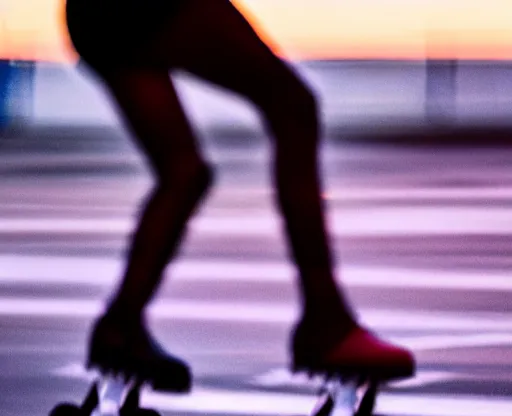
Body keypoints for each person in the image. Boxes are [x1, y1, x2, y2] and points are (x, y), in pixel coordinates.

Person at [64, 0, 415, 393]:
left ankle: (120, 327)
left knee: (184, 173)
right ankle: (325, 321)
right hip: (151, 8)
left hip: (92, 15)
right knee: (292, 107)